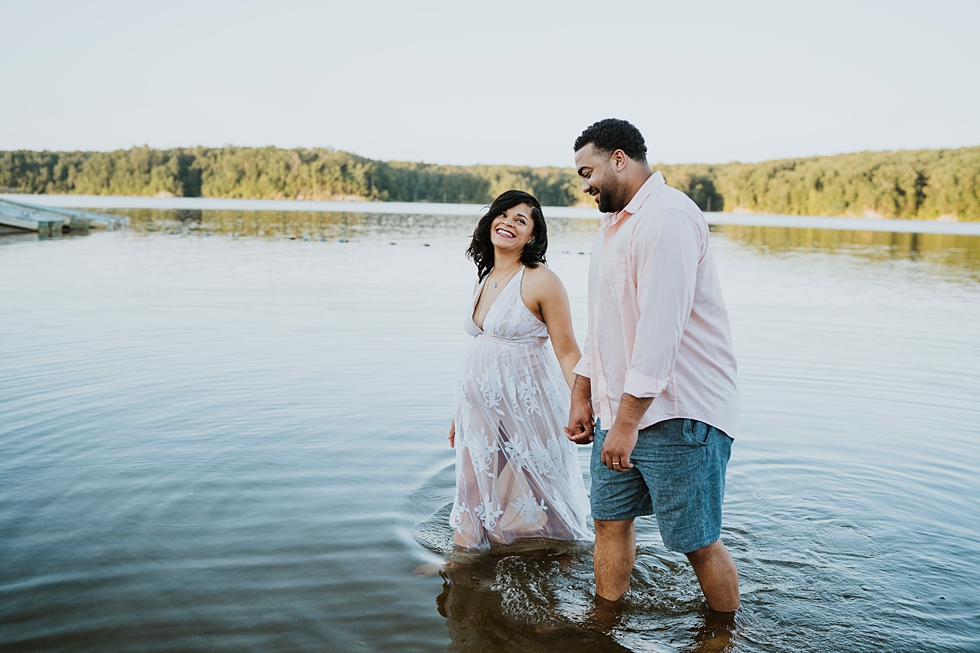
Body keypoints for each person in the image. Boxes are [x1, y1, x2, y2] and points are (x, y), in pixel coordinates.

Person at [564, 119, 741, 612]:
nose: (585, 186)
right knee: (609, 523)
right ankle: (604, 627)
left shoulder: (667, 218)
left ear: (619, 158)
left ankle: (725, 638)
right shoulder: (613, 226)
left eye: (588, 171)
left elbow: (659, 336)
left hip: (679, 414)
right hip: (621, 412)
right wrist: (583, 393)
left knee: (696, 542)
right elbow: (605, 327)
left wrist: (624, 424)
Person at [449, 190, 591, 549]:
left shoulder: (541, 280)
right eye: (503, 214)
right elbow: (483, 353)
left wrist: (582, 403)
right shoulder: (487, 277)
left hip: (530, 403)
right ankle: (461, 559)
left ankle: (570, 557)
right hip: (480, 406)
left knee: (544, 485)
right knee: (470, 484)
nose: (508, 222)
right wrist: (460, 413)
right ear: (490, 220)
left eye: (520, 219)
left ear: (532, 236)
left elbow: (567, 350)